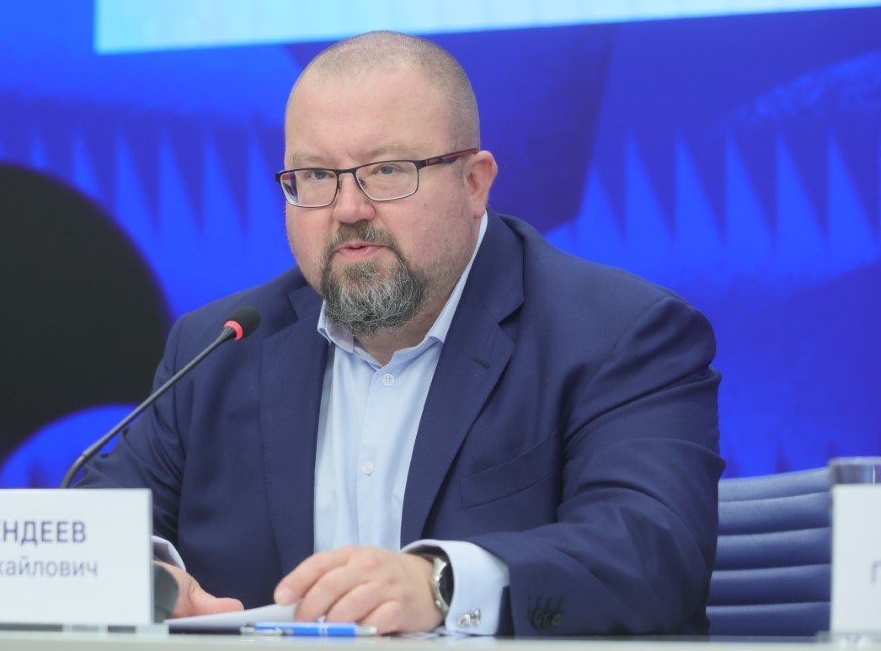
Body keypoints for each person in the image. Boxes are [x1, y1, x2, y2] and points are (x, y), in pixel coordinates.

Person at [79, 31, 723, 636]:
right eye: (315, 176)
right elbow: (90, 526)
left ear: (474, 183)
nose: (348, 209)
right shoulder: (220, 346)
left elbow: (653, 551)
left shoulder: (619, 335)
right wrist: (145, 579)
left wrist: (441, 584)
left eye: (386, 170)